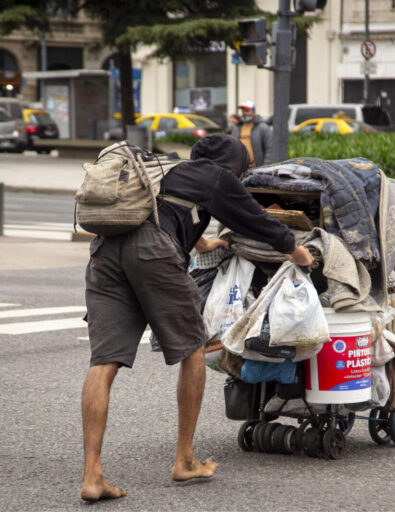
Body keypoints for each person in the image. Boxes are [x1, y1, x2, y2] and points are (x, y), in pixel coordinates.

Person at [80, 134, 313, 502]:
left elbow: (170, 211)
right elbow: (257, 222)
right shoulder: (217, 176)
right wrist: (297, 252)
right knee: (193, 349)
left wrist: (203, 243)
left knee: (103, 362)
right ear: (234, 164)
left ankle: (92, 476)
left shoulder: (171, 169)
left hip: (106, 252)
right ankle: (185, 460)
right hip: (152, 252)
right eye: (244, 167)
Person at [231, 100, 272, 167]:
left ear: (254, 112)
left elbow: (270, 149)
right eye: (243, 111)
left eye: (247, 111)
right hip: (241, 170)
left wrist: (265, 166)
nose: (244, 113)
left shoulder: (263, 128)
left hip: (257, 170)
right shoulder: (237, 128)